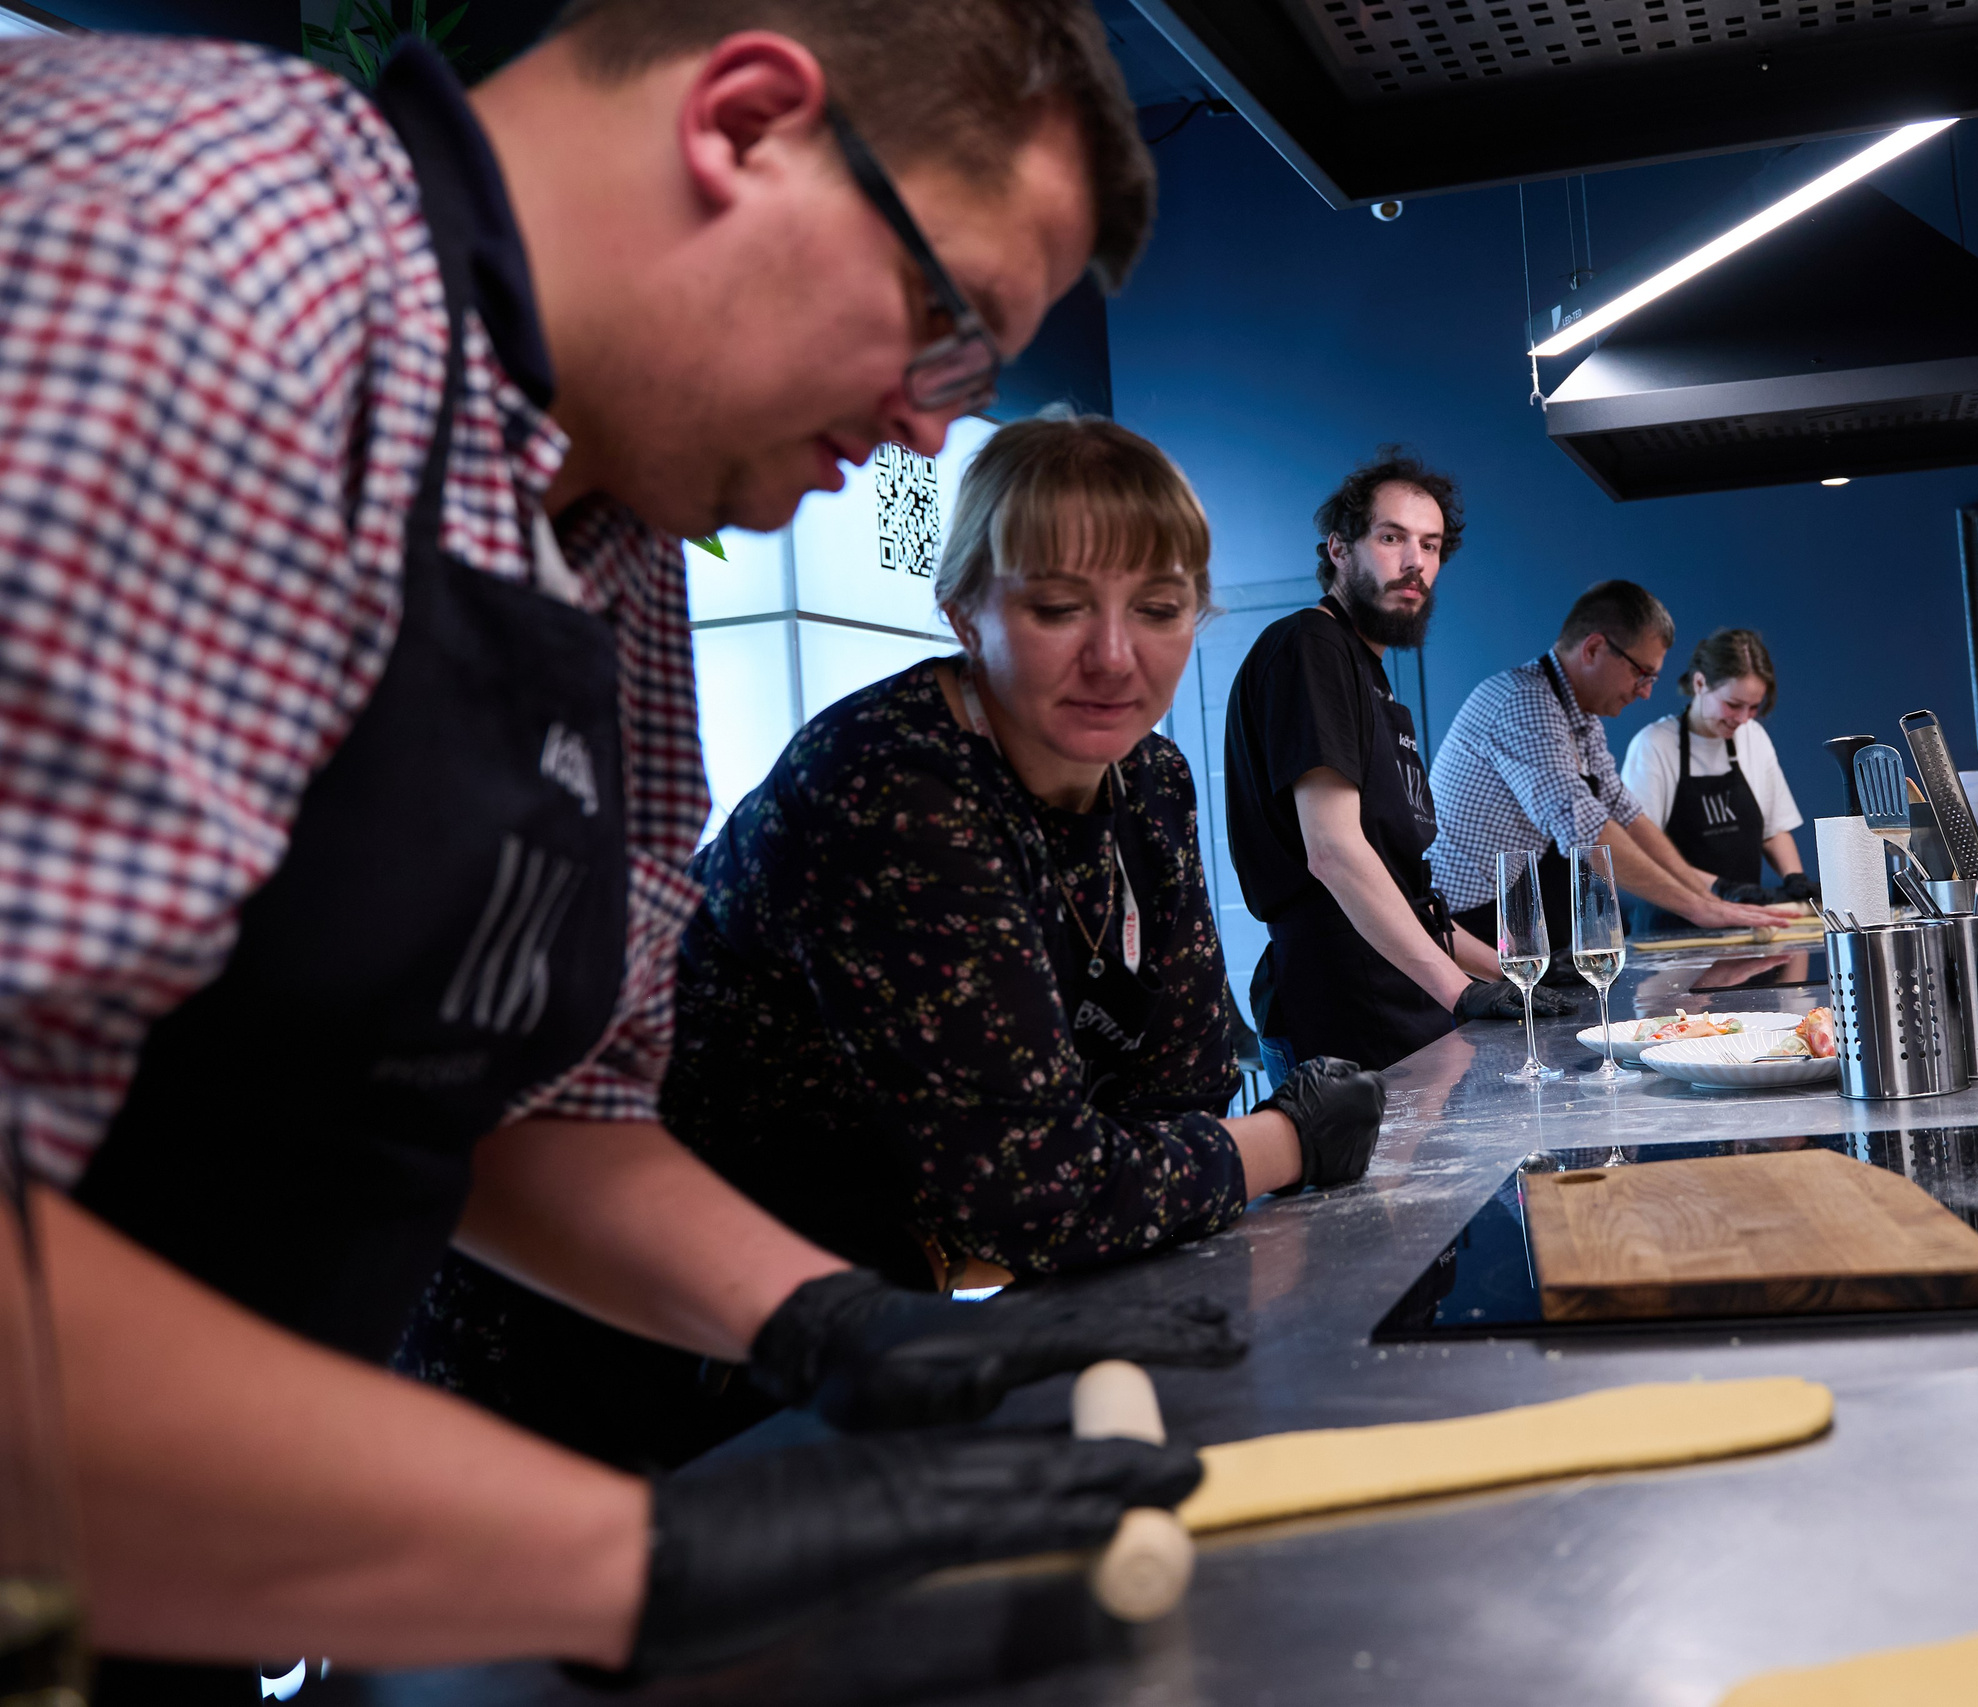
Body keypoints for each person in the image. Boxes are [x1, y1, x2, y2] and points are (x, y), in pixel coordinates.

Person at [3, 6, 1248, 1689]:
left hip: (178, 1575)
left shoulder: (612, 518)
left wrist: (822, 1315)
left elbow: (544, 1099)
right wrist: (634, 1557)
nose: (921, 427)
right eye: (945, 329)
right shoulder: (195, 250)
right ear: (743, 124)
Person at [401, 416, 1386, 1468]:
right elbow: (1036, 1194)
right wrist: (1288, 1137)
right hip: (611, 1316)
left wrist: (1137, 1168)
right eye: (1056, 607)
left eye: (1157, 608)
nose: (1113, 657)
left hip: (838, 1303)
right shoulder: (894, 780)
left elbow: (1177, 1089)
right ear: (964, 611)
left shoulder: (1150, 782)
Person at [1224, 452, 1571, 1075]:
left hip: (1398, 995)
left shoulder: (1371, 675)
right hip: (1339, 1006)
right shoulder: (1311, 646)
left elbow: (1409, 900)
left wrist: (1520, 973)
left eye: (1430, 545)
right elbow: (1333, 851)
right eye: (1391, 538)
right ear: (1339, 548)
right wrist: (1460, 992)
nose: (1415, 562)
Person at [1430, 581, 1791, 970]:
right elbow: (1586, 829)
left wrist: (1709, 899)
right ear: (1593, 649)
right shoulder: (1524, 702)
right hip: (1473, 925)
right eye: (1642, 674)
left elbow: (1625, 813)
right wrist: (1699, 908)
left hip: (1526, 919)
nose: (1645, 692)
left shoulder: (1581, 717)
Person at [1619, 627, 1815, 921]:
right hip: (1671, 929)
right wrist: (1720, 888)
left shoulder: (1753, 737)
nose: (1743, 718)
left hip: (1746, 922)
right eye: (1733, 705)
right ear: (1700, 683)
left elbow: (1774, 830)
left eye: (1753, 707)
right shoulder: (1653, 746)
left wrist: (1794, 878)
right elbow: (1641, 853)